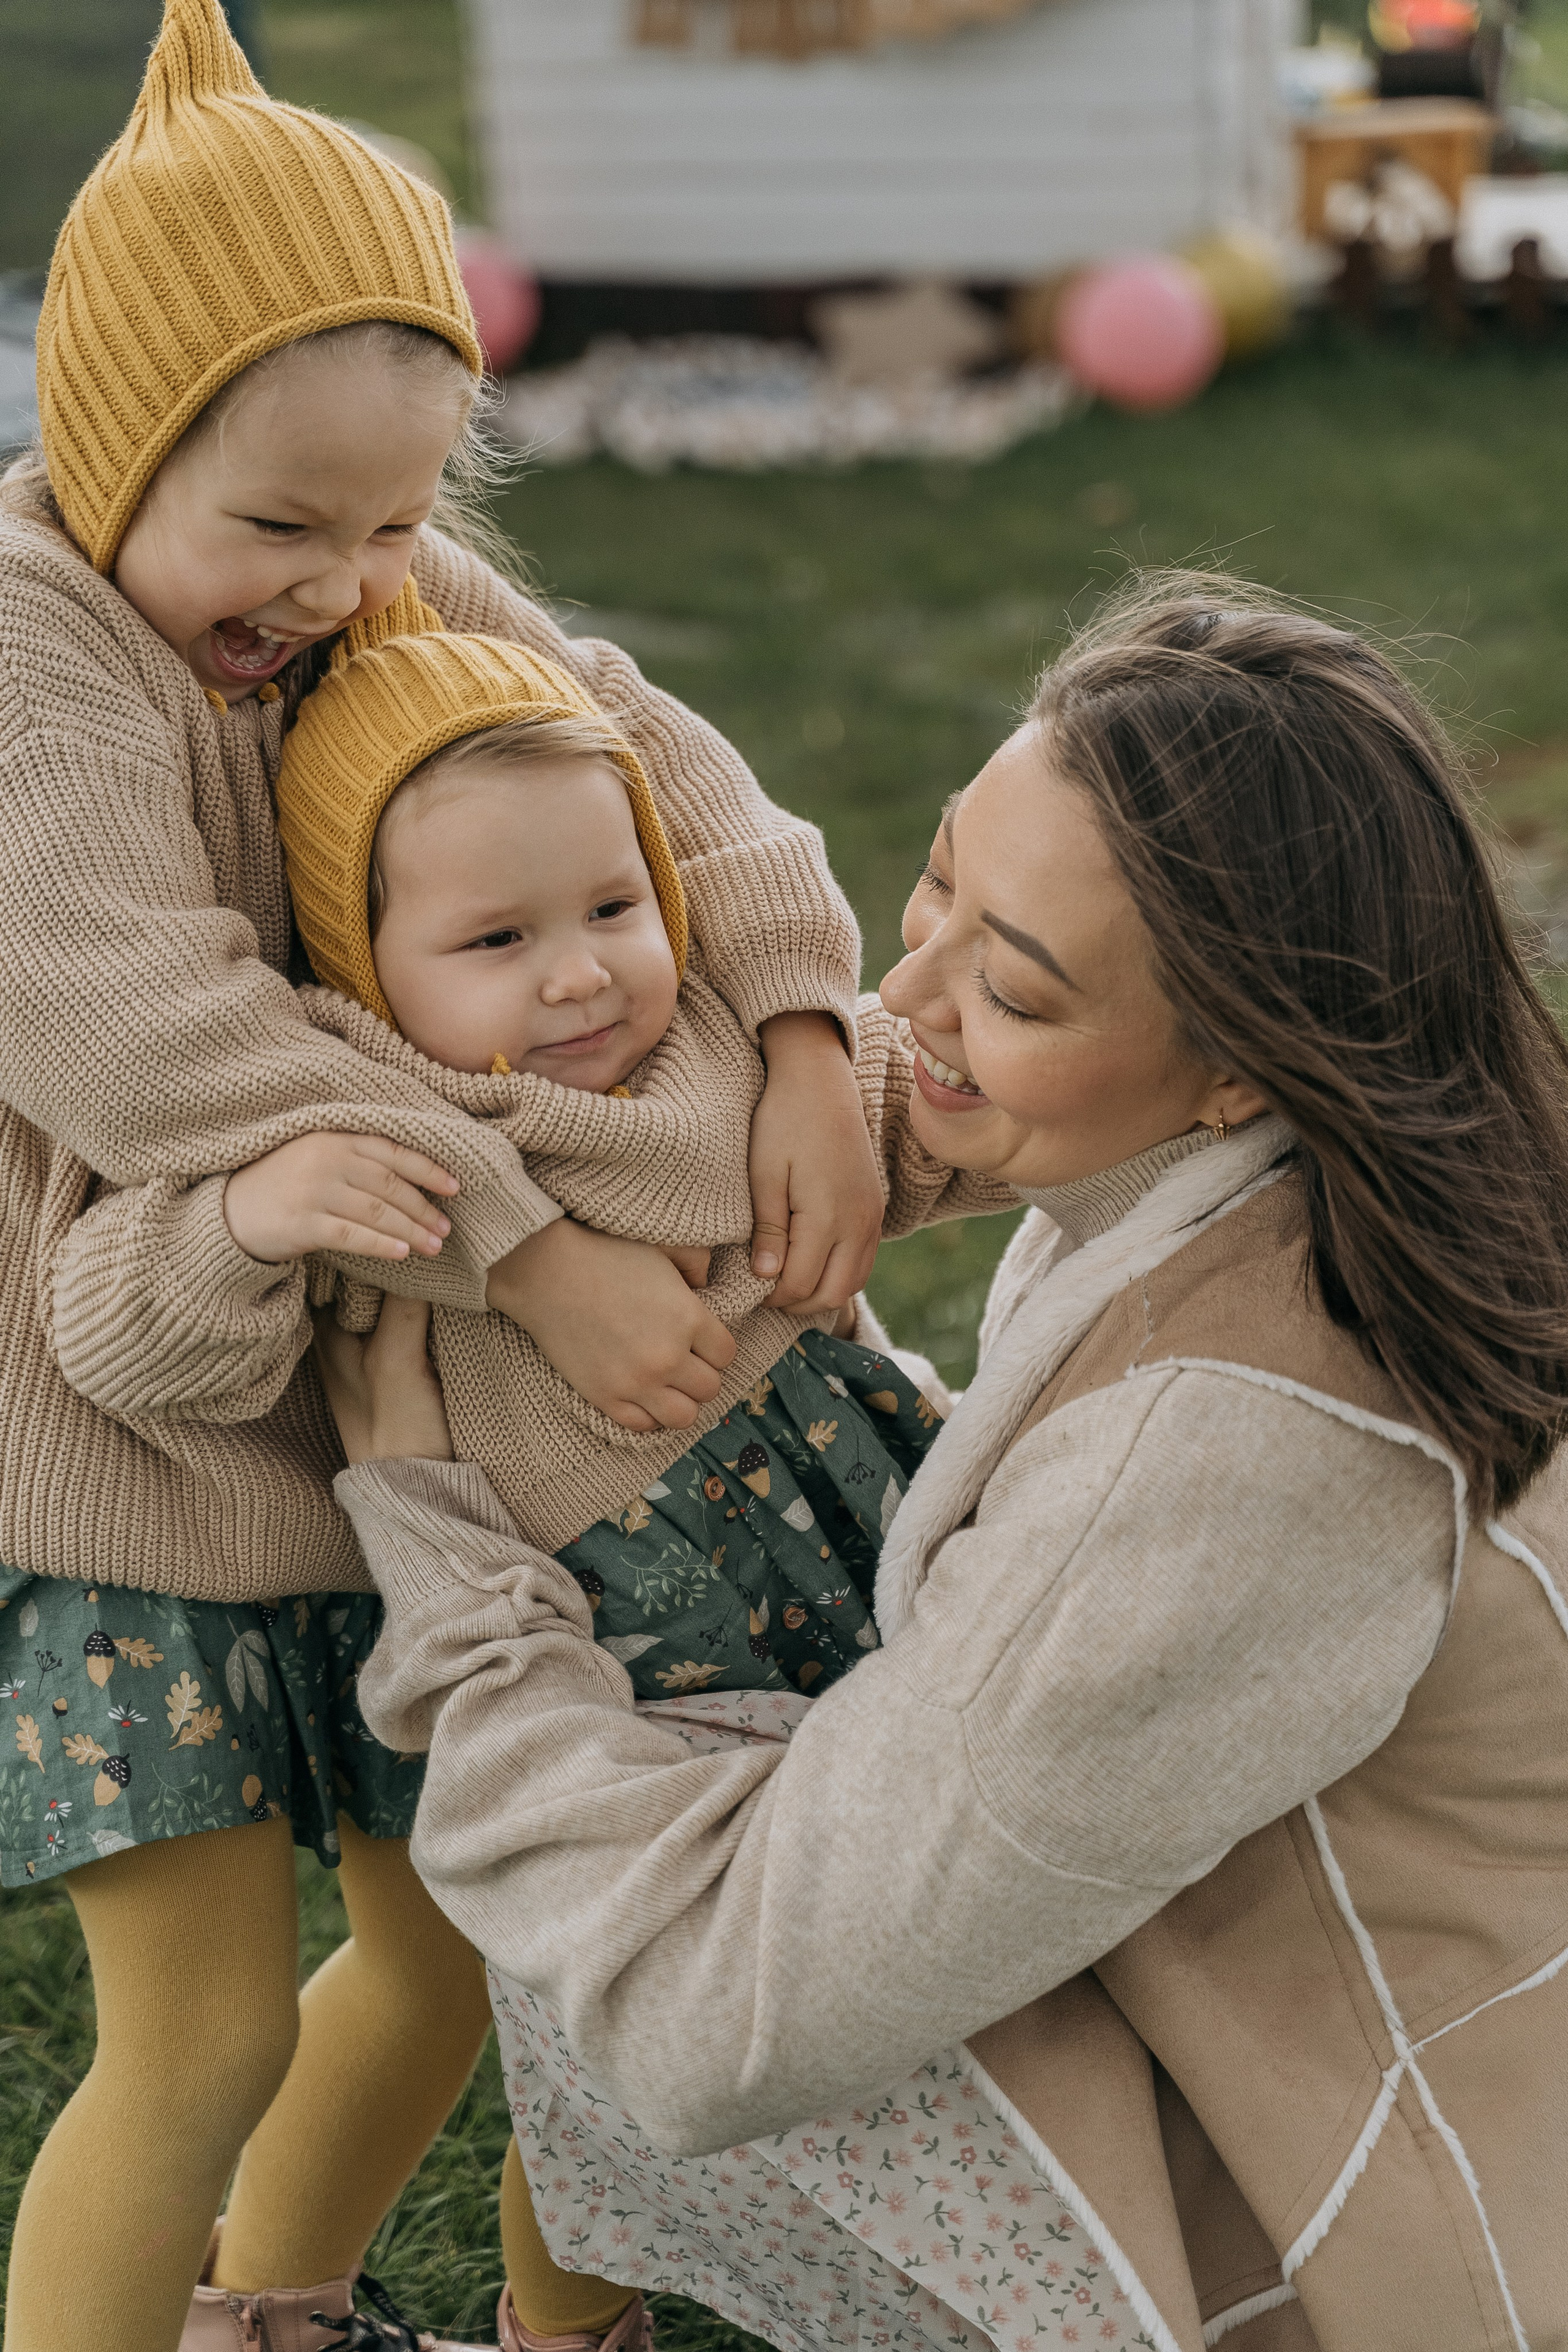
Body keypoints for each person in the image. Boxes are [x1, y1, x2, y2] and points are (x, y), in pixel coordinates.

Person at [322, 576, 1568, 2352]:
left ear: (1240, 1066)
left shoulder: (1239, 1466)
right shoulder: (1361, 1172)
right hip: (1353, 2038)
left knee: (640, 1809)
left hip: (1389, 2254)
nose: (904, 988)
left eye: (1018, 985)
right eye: (940, 885)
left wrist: (452, 1574)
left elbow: (707, 2016)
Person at [0, 5, 884, 2348]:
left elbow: (649, 757)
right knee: (203, 2029)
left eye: (399, 517)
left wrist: (796, 1017)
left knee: (448, 1943)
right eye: (282, 525)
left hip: (339, 1440)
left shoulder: (374, 572)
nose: (351, 578)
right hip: (119, 1452)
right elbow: (152, 1032)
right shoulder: (30, 659)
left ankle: (272, 2311)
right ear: (110, 449)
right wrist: (538, 1243)